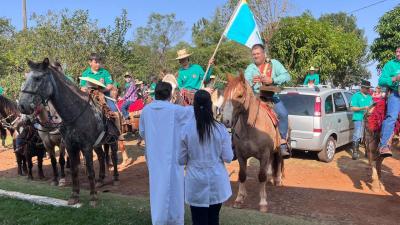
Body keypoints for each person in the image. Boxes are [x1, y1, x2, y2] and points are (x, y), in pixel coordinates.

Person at [139, 81, 193, 225]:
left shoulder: (146, 110)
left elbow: (142, 132)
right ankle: (175, 220)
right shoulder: (175, 110)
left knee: (157, 188)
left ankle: (158, 220)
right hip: (173, 156)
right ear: (170, 95)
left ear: (155, 94)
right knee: (175, 189)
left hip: (155, 156)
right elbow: (194, 112)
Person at [179, 90, 233, 225]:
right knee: (213, 218)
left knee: (197, 220)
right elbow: (228, 157)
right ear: (210, 105)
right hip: (216, 180)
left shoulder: (186, 129)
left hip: (195, 181)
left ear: (193, 105)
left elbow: (181, 160)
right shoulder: (220, 129)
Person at [244, 44, 291, 157]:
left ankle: (282, 142)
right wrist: (252, 82)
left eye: (258, 54)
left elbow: (287, 76)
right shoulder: (250, 68)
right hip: (256, 97)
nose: (256, 56)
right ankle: (235, 144)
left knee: (283, 114)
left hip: (271, 97)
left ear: (264, 54)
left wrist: (272, 79)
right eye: (254, 54)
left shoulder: (274, 63)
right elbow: (244, 84)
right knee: (239, 113)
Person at [377, 46, 400, 157]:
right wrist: (394, 78)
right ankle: (384, 146)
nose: (398, 54)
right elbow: (381, 81)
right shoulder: (390, 64)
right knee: (391, 117)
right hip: (395, 94)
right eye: (397, 51)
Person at [350, 80, 373, 160]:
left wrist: (371, 110)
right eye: (367, 88)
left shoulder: (370, 97)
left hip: (368, 119)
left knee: (367, 135)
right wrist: (363, 108)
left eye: (369, 88)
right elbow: (352, 108)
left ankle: (367, 151)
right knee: (357, 134)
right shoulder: (356, 95)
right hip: (358, 118)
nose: (368, 90)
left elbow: (372, 108)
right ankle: (355, 152)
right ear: (362, 88)